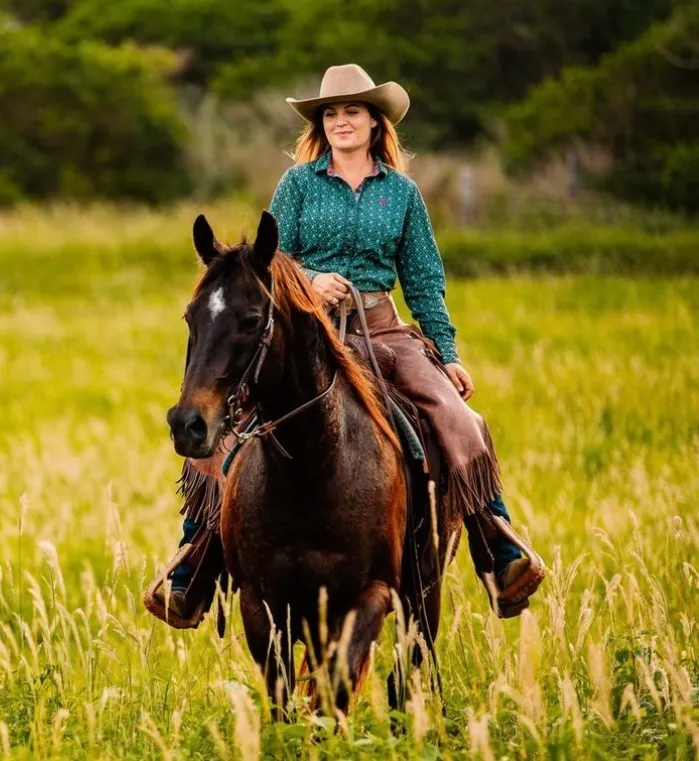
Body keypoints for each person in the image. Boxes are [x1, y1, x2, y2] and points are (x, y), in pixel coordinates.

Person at [146, 64, 546, 626]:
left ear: (375, 122)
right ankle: (193, 565)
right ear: (322, 125)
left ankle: (499, 549)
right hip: (311, 333)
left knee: (458, 418)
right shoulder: (299, 184)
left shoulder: (402, 194)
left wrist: (447, 352)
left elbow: (424, 279)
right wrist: (309, 280)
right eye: (331, 114)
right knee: (229, 424)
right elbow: (269, 264)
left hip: (383, 330)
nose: (340, 121)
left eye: (351, 111)